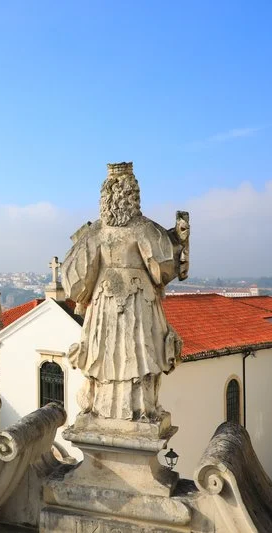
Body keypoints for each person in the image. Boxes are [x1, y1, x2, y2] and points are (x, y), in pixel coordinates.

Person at [61, 162, 188, 421]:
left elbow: (77, 280)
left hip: (106, 302)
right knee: (137, 355)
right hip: (136, 302)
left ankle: (103, 407)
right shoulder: (144, 228)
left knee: (112, 354)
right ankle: (140, 409)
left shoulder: (97, 231)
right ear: (134, 195)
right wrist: (178, 241)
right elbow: (161, 269)